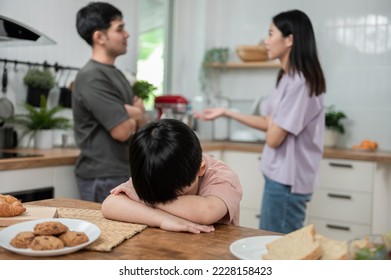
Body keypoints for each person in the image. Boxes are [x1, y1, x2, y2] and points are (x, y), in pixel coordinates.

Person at [195, 10, 326, 234]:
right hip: (278, 176)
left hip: (287, 181)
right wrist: (227, 112)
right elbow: (269, 122)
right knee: (271, 243)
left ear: (290, 39)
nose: (265, 41)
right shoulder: (287, 78)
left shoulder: (300, 83)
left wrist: (272, 124)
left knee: (279, 250)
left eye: (270, 34)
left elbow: (274, 138)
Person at [101, 119, 243, 234]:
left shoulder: (222, 177)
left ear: (201, 169)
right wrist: (162, 219)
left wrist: (146, 198)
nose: (157, 198)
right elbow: (110, 205)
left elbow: (207, 212)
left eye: (179, 196)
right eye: (154, 196)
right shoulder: (154, 170)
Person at [73, 2, 148, 203]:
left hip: (119, 172)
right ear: (99, 37)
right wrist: (136, 114)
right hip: (102, 176)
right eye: (120, 29)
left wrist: (134, 114)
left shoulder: (115, 74)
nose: (127, 35)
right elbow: (122, 131)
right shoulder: (91, 77)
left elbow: (142, 123)